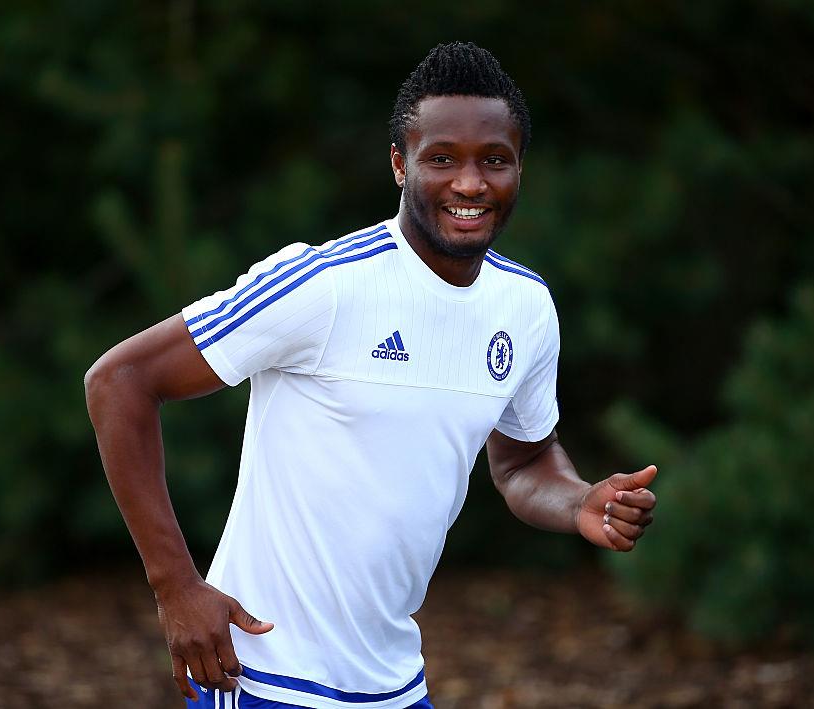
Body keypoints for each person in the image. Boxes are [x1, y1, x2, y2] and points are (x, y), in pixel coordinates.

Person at [85, 41, 657, 709]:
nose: (470, 183)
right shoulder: (323, 285)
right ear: (399, 164)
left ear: (518, 167)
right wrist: (175, 586)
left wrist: (579, 501)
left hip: (393, 683)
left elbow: (524, 462)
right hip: (265, 676)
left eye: (494, 160)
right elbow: (119, 380)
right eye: (441, 158)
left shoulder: (525, 307)